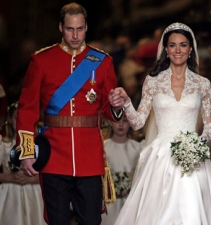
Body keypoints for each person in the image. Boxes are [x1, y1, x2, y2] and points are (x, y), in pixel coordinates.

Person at [110, 22, 211, 224]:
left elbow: (210, 124)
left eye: (183, 45)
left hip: (192, 156)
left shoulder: (202, 84)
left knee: (191, 207)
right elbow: (138, 123)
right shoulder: (152, 81)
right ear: (166, 50)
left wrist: (197, 143)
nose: (178, 50)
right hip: (160, 156)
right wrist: (127, 103)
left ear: (190, 49)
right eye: (172, 45)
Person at [15, 2, 124, 225]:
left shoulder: (102, 62)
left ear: (87, 27)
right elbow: (27, 109)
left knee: (91, 221)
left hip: (90, 156)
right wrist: (26, 152)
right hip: (54, 155)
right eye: (69, 29)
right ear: (60, 27)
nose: (75, 35)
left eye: (80, 29)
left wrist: (116, 105)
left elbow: (109, 111)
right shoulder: (41, 61)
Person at [0, 102, 46, 225]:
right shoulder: (3, 143)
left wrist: (32, 179)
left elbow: (49, 172)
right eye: (17, 118)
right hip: (10, 194)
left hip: (35, 193)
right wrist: (9, 177)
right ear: (10, 119)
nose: (21, 122)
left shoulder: (41, 144)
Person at [101, 116, 142, 225]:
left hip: (130, 199)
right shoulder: (104, 147)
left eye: (125, 121)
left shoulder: (138, 148)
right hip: (110, 201)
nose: (120, 125)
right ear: (110, 122)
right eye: (116, 121)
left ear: (130, 124)